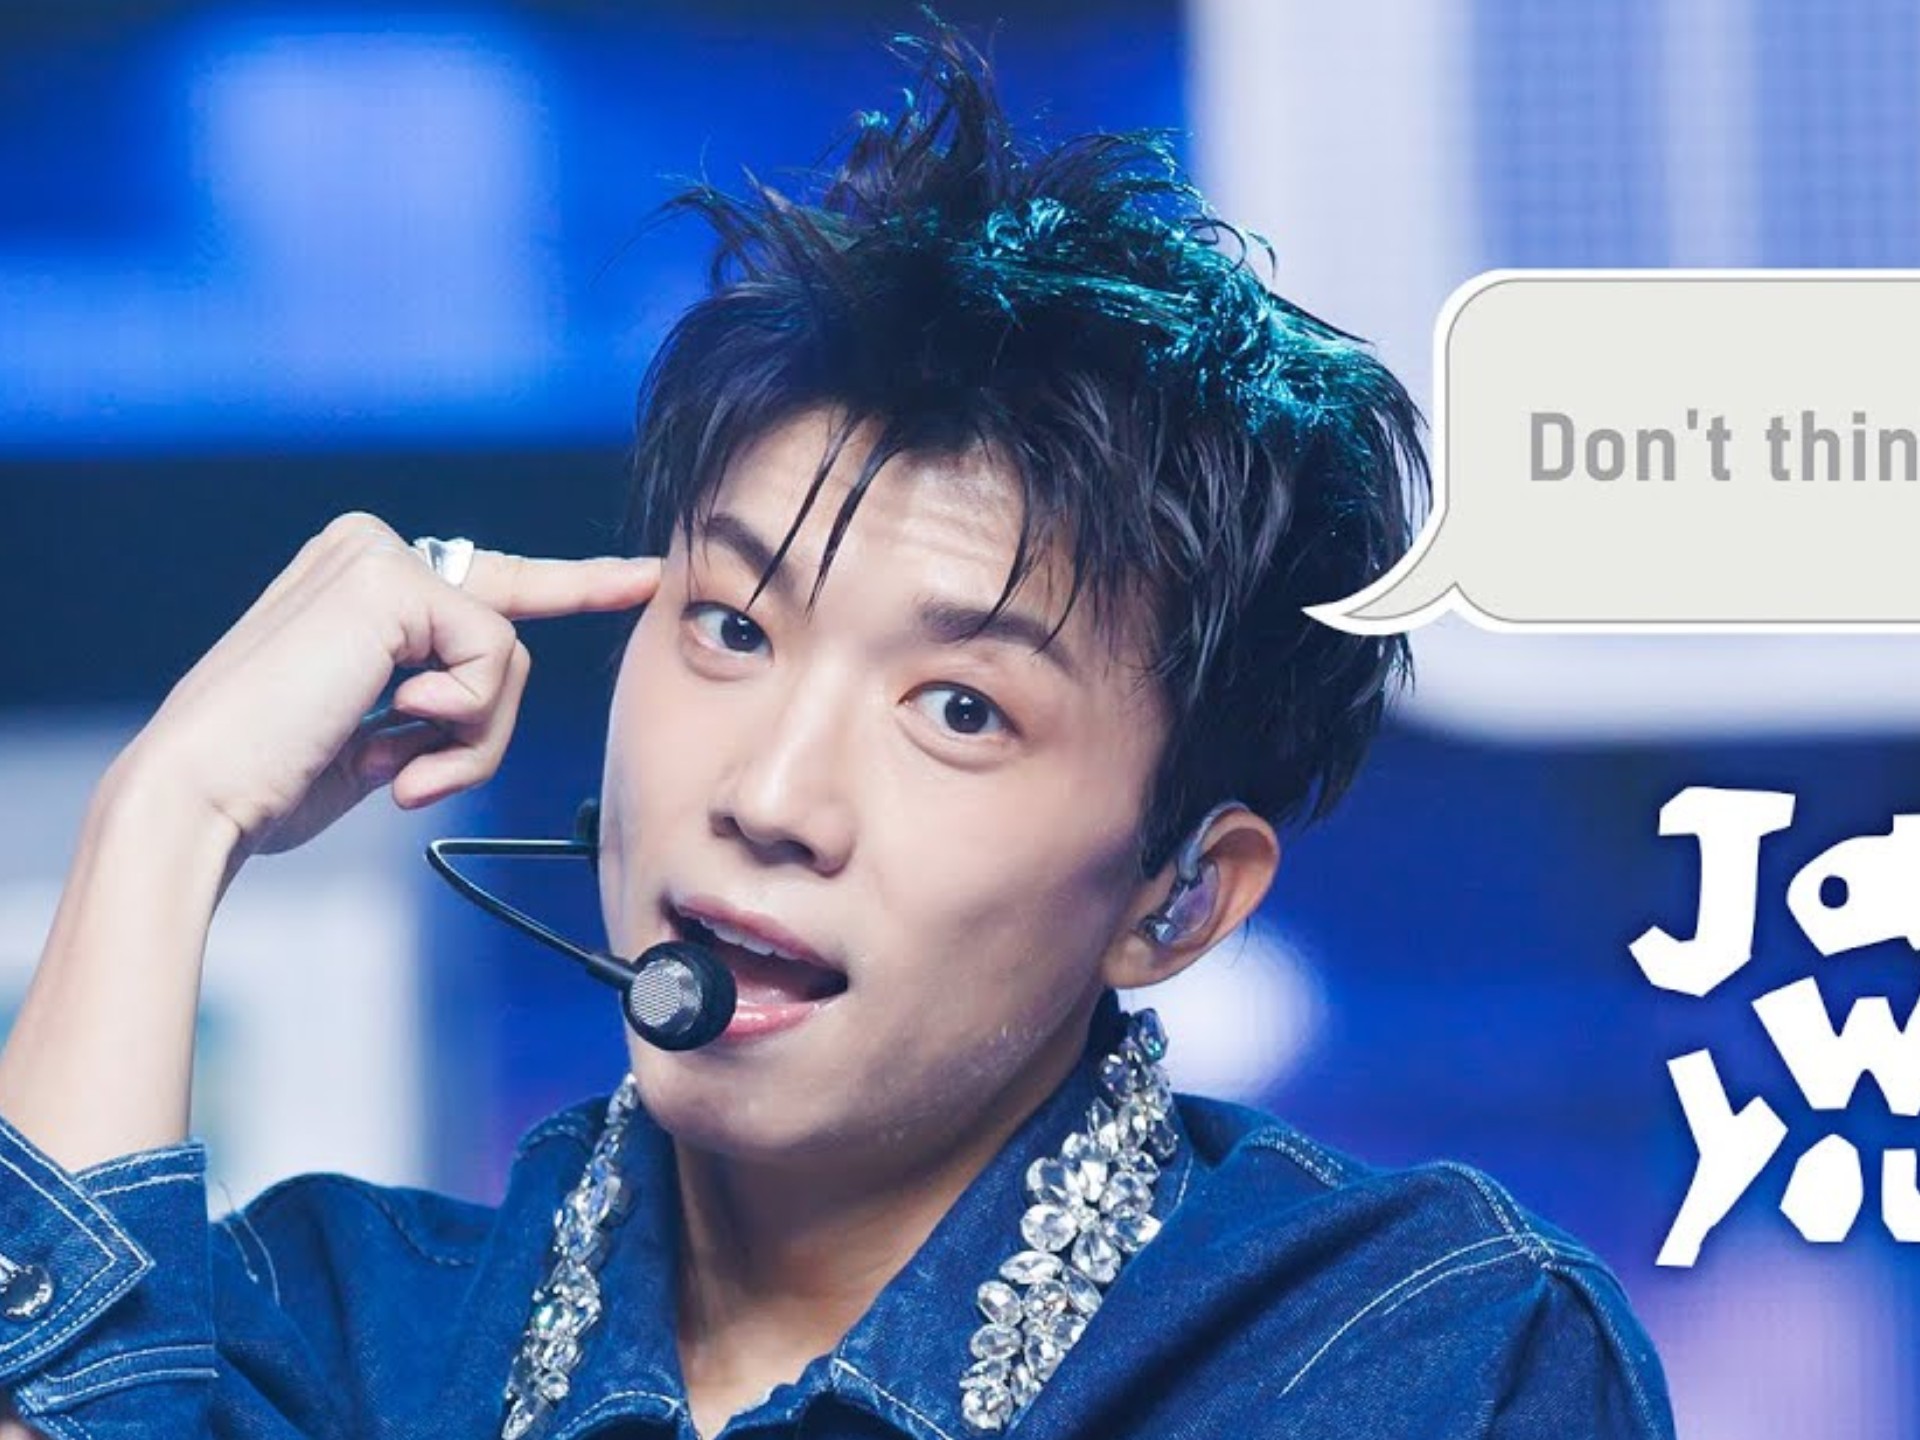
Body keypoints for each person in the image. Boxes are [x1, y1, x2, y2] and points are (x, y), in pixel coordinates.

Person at [0, 21, 1675, 1440]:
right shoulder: (343, 1336)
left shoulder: (1410, 1353)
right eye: (733, 628)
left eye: (960, 709)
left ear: (1176, 899)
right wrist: (165, 816)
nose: (774, 796)